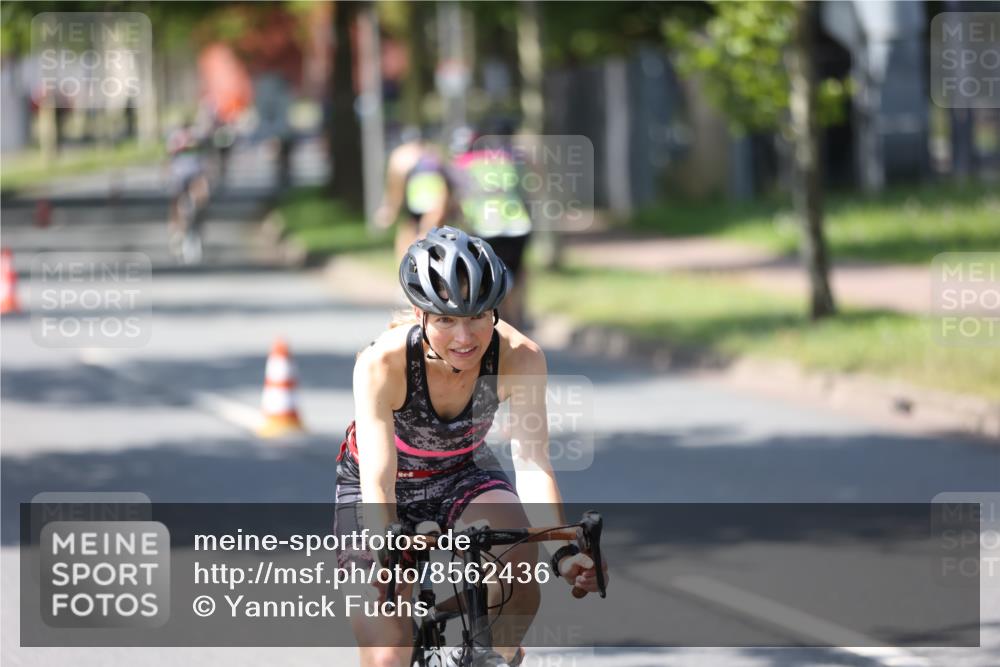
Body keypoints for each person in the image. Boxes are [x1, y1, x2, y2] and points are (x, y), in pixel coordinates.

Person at [334, 227, 607, 667]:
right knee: (387, 654)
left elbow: (533, 463)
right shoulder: (382, 363)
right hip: (384, 490)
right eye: (445, 320)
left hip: (462, 473)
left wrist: (562, 551)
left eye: (479, 316)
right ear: (420, 315)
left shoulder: (520, 356)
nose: (465, 338)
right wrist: (388, 550)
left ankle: (493, 655)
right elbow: (379, 482)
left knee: (519, 562)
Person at [451, 127, 533, 329]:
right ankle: (519, 315)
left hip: (485, 226)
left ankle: (502, 321)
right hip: (517, 224)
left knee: (491, 276)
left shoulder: (463, 164)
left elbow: (458, 198)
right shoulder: (506, 158)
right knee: (517, 270)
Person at [374, 131, 455, 260]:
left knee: (416, 235)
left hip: (425, 200)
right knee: (414, 234)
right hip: (425, 201)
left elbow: (395, 188)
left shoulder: (402, 156)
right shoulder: (430, 154)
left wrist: (390, 209)